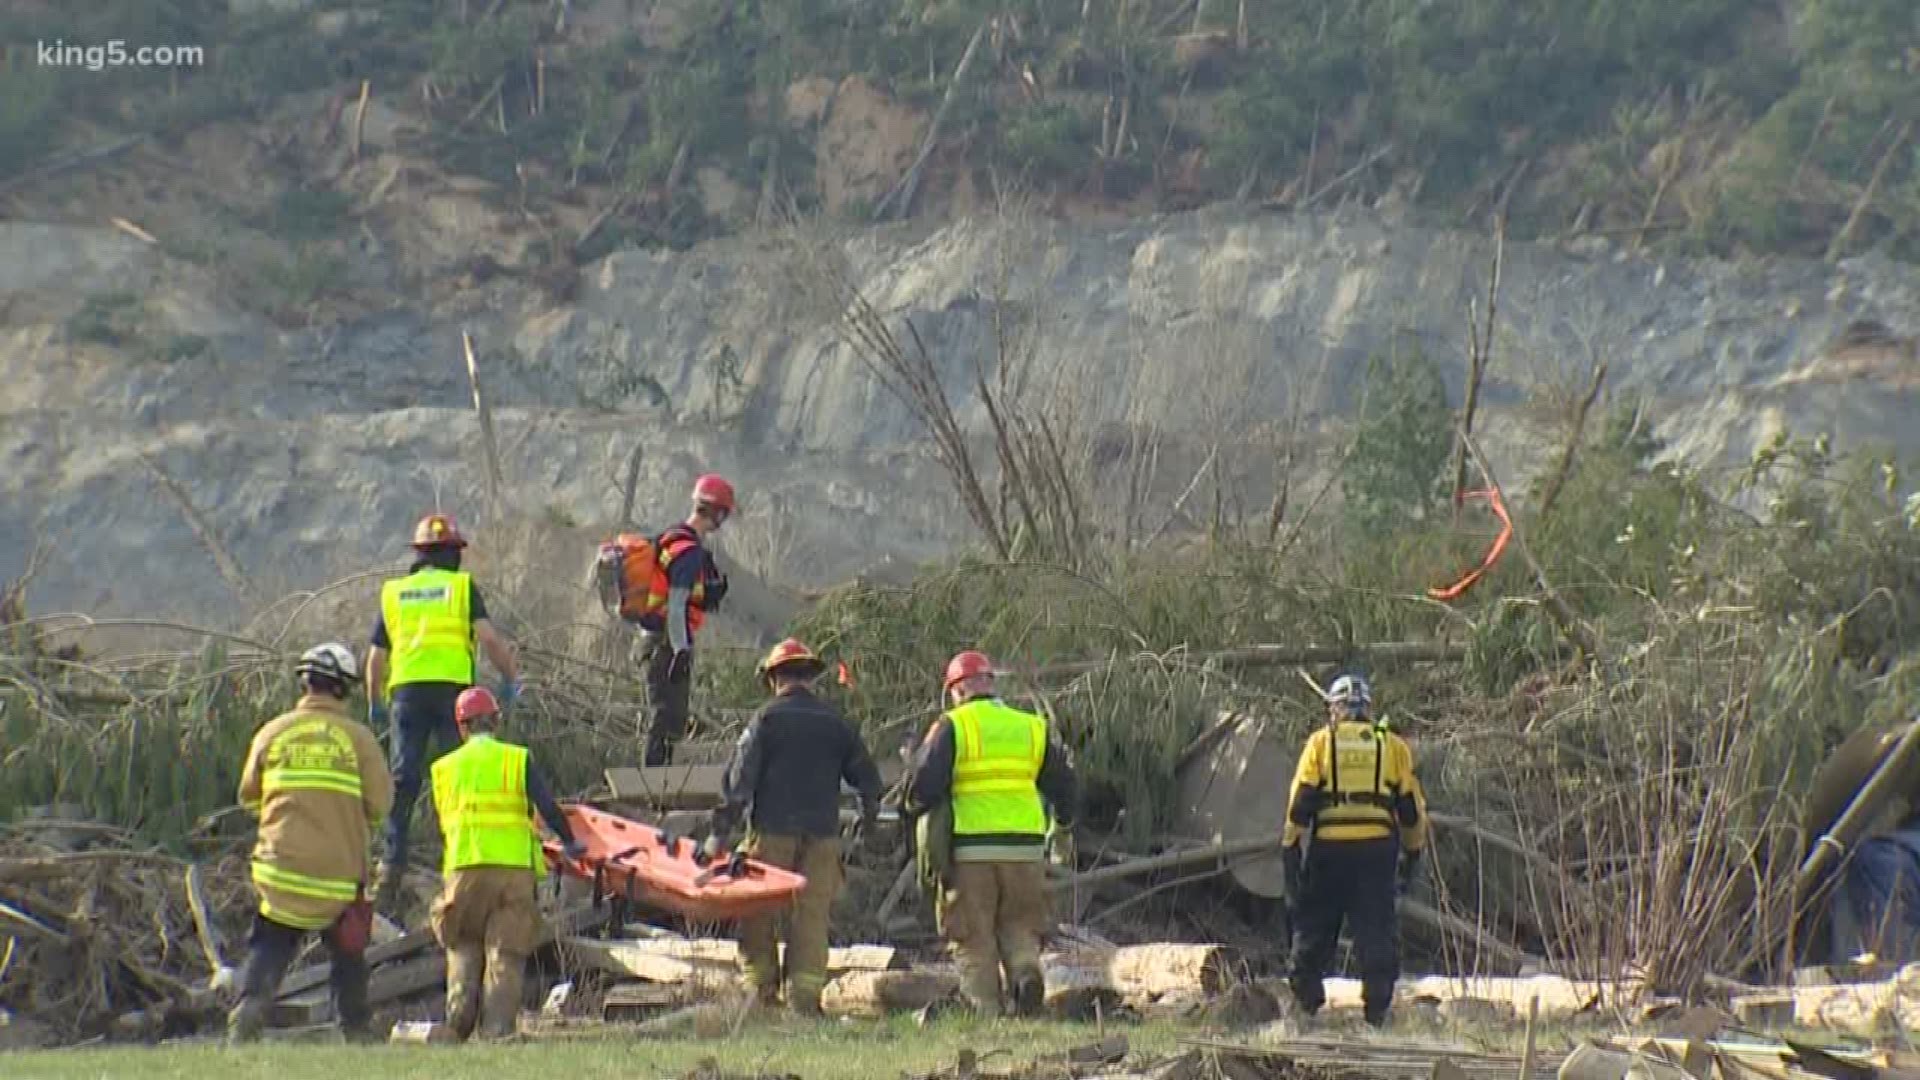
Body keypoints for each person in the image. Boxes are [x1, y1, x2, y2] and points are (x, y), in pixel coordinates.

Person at [705, 638, 884, 1015]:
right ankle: (804, 1001)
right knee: (812, 917)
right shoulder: (837, 724)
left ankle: (760, 996)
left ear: (773, 678)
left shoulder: (766, 720)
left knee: (757, 910)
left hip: (772, 835)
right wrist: (869, 824)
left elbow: (740, 782)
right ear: (810, 678)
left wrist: (718, 833)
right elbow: (868, 781)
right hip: (823, 837)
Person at [230, 643, 394, 1044]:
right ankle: (355, 1028)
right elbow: (381, 805)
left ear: (304, 684)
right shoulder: (358, 740)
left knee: (270, 942)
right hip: (337, 878)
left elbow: (248, 797)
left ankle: (247, 1013)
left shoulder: (272, 732)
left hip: (279, 870)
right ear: (344, 689)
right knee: (348, 956)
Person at [365, 512, 522, 922]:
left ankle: (390, 865)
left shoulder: (395, 593)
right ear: (454, 554)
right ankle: (458, 858)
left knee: (404, 778)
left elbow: (376, 658)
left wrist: (375, 703)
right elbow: (488, 639)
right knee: (459, 776)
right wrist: (509, 680)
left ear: (418, 554)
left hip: (407, 694)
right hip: (453, 693)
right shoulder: (461, 588)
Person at [906, 650, 1077, 1018]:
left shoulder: (953, 726)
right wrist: (1061, 826)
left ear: (957, 689)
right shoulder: (1032, 726)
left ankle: (986, 1013)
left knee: (972, 934)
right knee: (1021, 927)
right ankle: (1027, 975)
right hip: (1027, 850)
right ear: (990, 683)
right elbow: (1065, 786)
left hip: (971, 851)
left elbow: (922, 787)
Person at [429, 686, 585, 1041]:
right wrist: (571, 842)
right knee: (506, 951)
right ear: (496, 721)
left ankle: (457, 1023)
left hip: (464, 867)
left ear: (461, 727)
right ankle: (498, 1032)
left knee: (463, 943)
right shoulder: (517, 759)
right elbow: (546, 805)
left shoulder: (443, 769)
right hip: (513, 871)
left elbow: (443, 821)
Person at [1281, 673, 1428, 1028]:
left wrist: (1290, 848)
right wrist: (1413, 853)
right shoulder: (1391, 746)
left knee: (1314, 925)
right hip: (1376, 853)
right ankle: (1377, 1011)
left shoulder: (1321, 742)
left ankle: (1305, 1006)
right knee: (1376, 929)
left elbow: (1300, 804)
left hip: (1329, 850)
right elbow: (1411, 811)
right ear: (1368, 709)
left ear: (1334, 709)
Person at [637, 474, 734, 767]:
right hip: (666, 643)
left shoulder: (672, 538)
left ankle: (657, 780)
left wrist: (703, 595)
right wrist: (681, 649)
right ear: (717, 512)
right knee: (668, 717)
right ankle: (653, 784)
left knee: (666, 715)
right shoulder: (689, 551)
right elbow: (676, 605)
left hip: (651, 640)